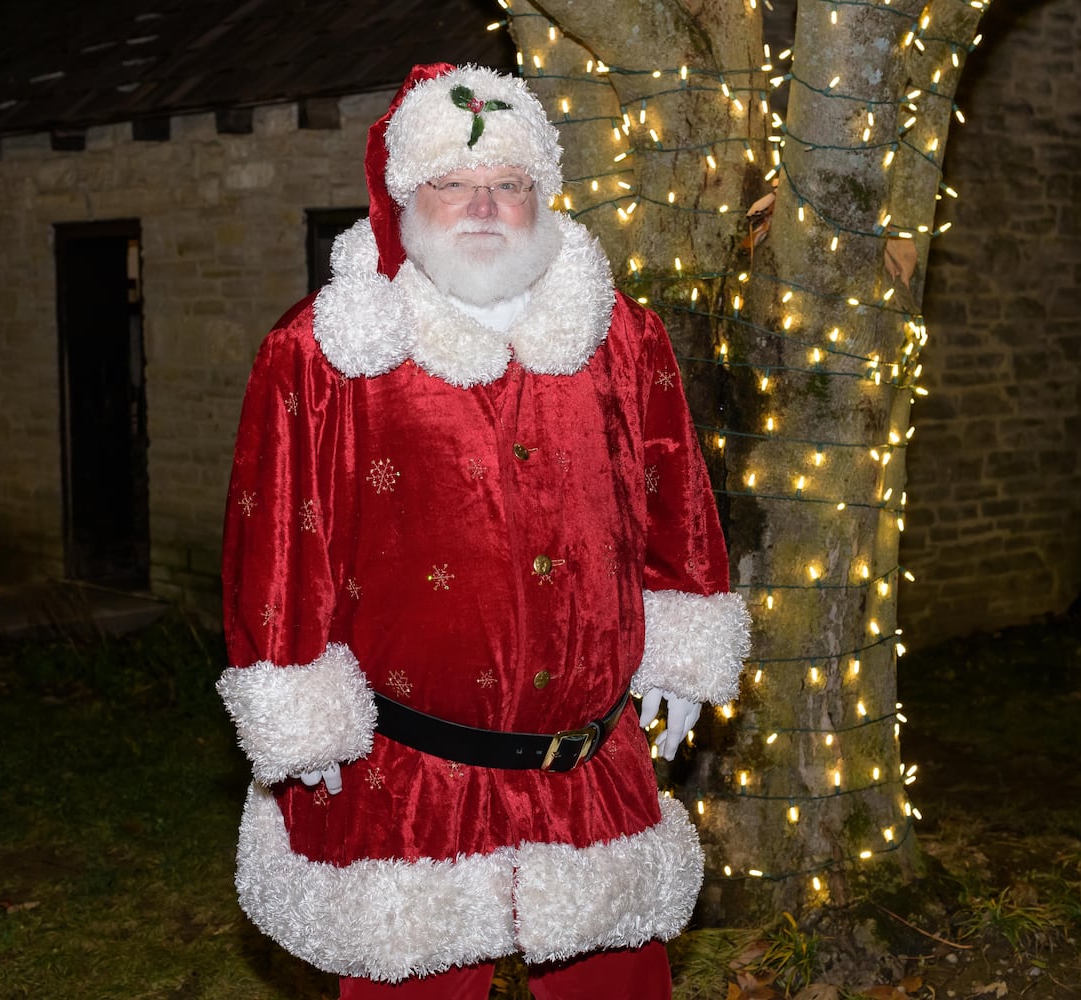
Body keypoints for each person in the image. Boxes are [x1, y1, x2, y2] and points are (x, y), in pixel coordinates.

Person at [217, 62, 751, 999]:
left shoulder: (622, 336)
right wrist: (296, 714)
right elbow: (277, 543)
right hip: (406, 781)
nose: (484, 206)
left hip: (591, 769)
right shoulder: (324, 353)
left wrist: (683, 644)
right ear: (402, 198)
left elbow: (674, 498)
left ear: (541, 195)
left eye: (508, 184)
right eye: (452, 183)